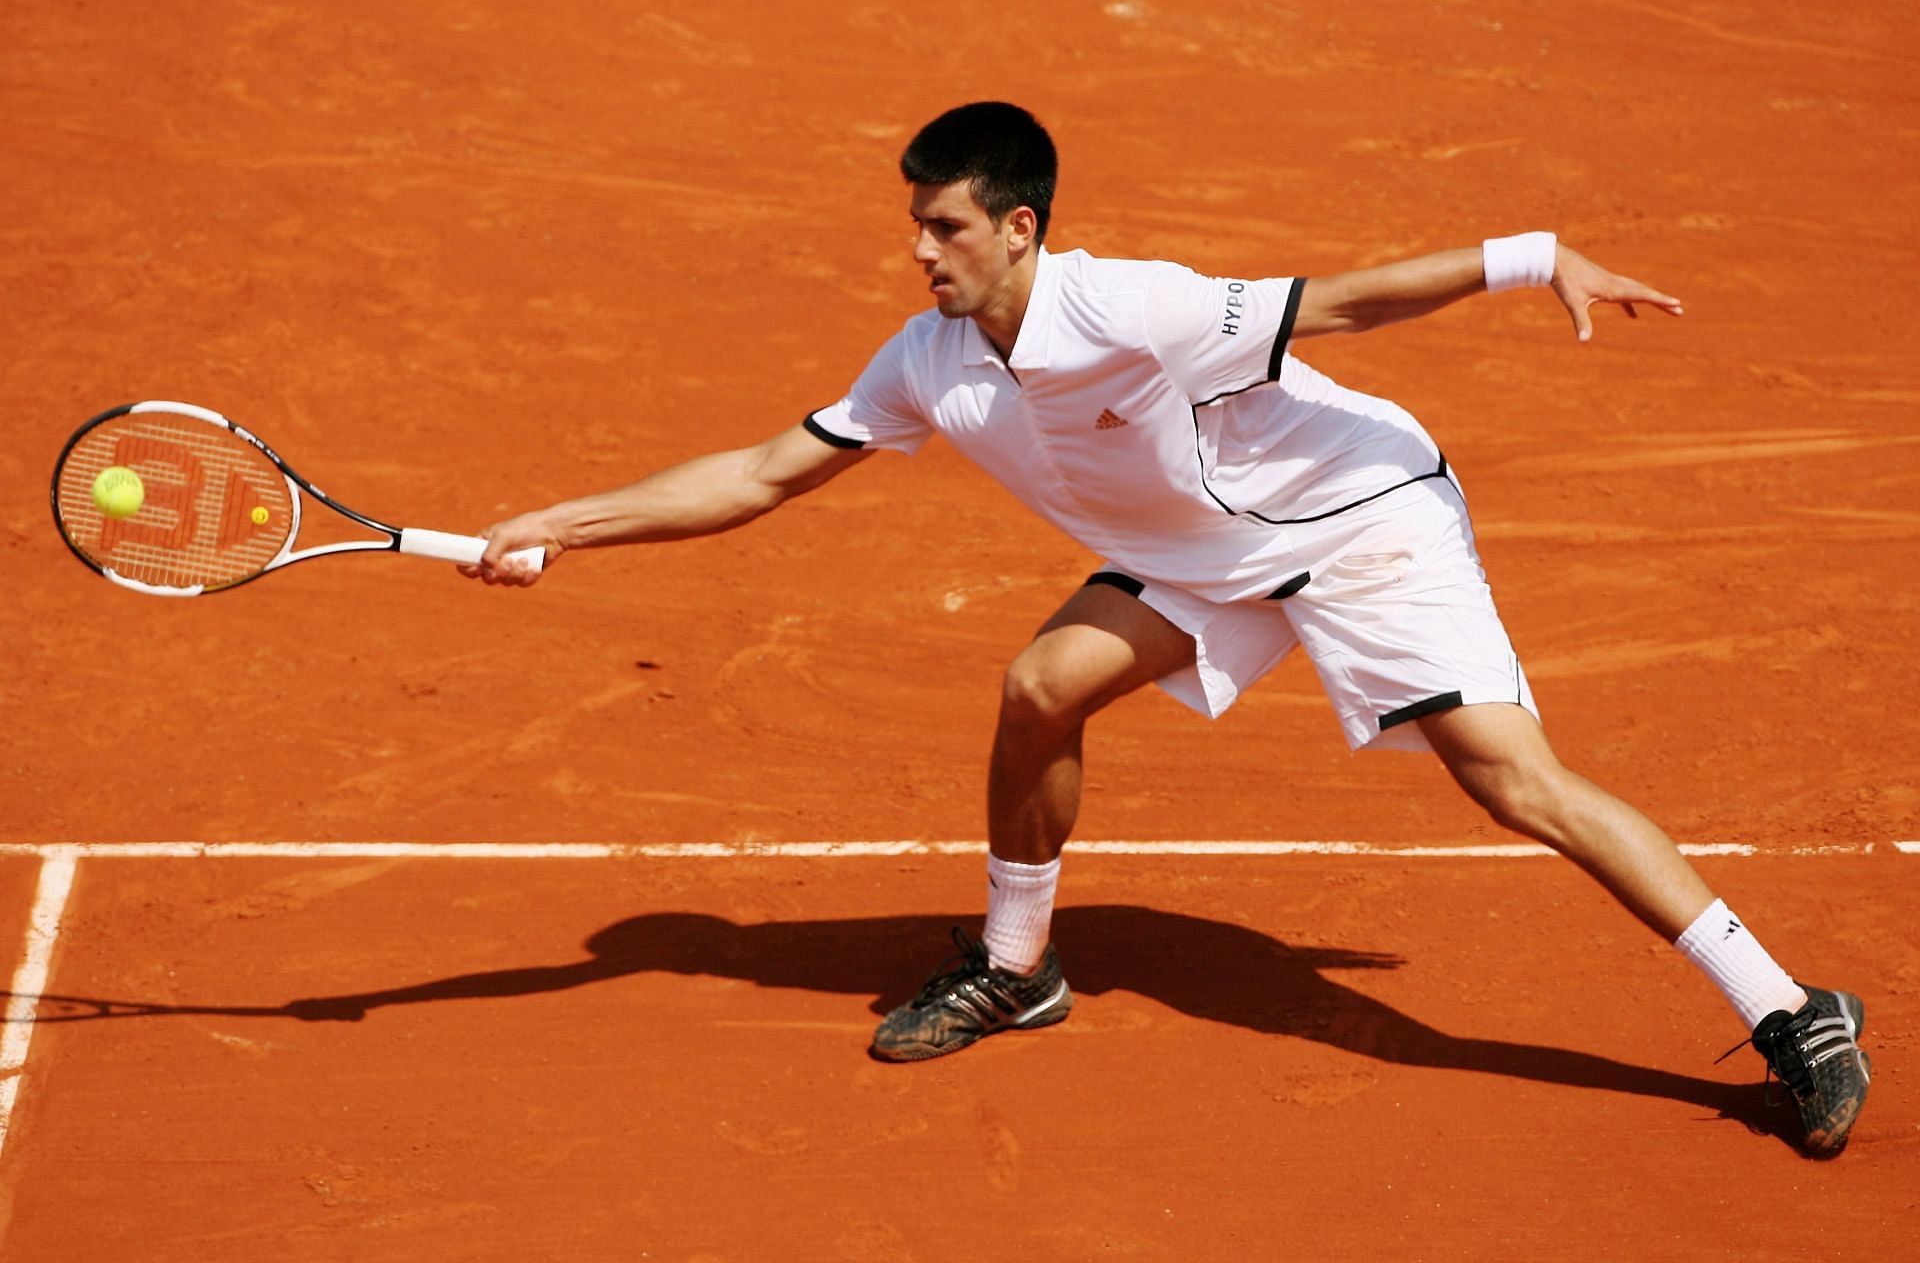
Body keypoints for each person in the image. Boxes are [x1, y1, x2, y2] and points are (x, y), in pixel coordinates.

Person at [463, 102, 1869, 1156]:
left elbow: (1350, 301)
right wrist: (561, 523)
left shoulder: (1139, 309)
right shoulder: (927, 359)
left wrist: (1531, 255)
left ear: (1020, 228)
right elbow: (765, 473)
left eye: (945, 226)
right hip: (1192, 554)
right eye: (916, 223)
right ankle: (1017, 969)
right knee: (1039, 686)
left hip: (1356, 520)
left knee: (1513, 781)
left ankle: (1788, 1006)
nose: (920, 249)